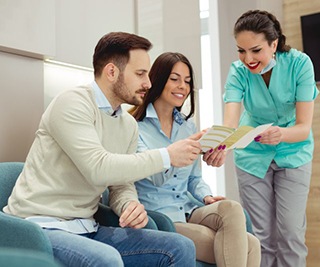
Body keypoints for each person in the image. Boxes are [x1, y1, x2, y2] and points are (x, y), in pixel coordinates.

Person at [3, 32, 202, 267]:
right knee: (106, 259)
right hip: (41, 227)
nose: (148, 83)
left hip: (87, 226)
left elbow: (120, 184)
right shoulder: (72, 104)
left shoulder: (127, 124)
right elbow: (98, 168)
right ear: (111, 72)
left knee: (179, 247)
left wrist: (128, 204)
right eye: (140, 74)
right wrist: (167, 156)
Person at [112, 52, 261, 267]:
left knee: (232, 209)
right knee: (250, 245)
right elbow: (155, 177)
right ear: (158, 79)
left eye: (187, 81)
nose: (182, 86)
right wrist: (179, 151)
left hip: (189, 208)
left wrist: (206, 196)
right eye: (175, 79)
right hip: (160, 216)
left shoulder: (187, 126)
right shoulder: (134, 126)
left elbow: (194, 179)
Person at [205, 10, 319, 267]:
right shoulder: (238, 71)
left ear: (274, 43)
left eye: (255, 50)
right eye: (241, 51)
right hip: (252, 156)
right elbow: (231, 122)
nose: (248, 59)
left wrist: (280, 134)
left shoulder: (300, 64)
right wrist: (222, 146)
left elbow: (302, 127)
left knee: (290, 234)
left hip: (293, 152)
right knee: (260, 237)